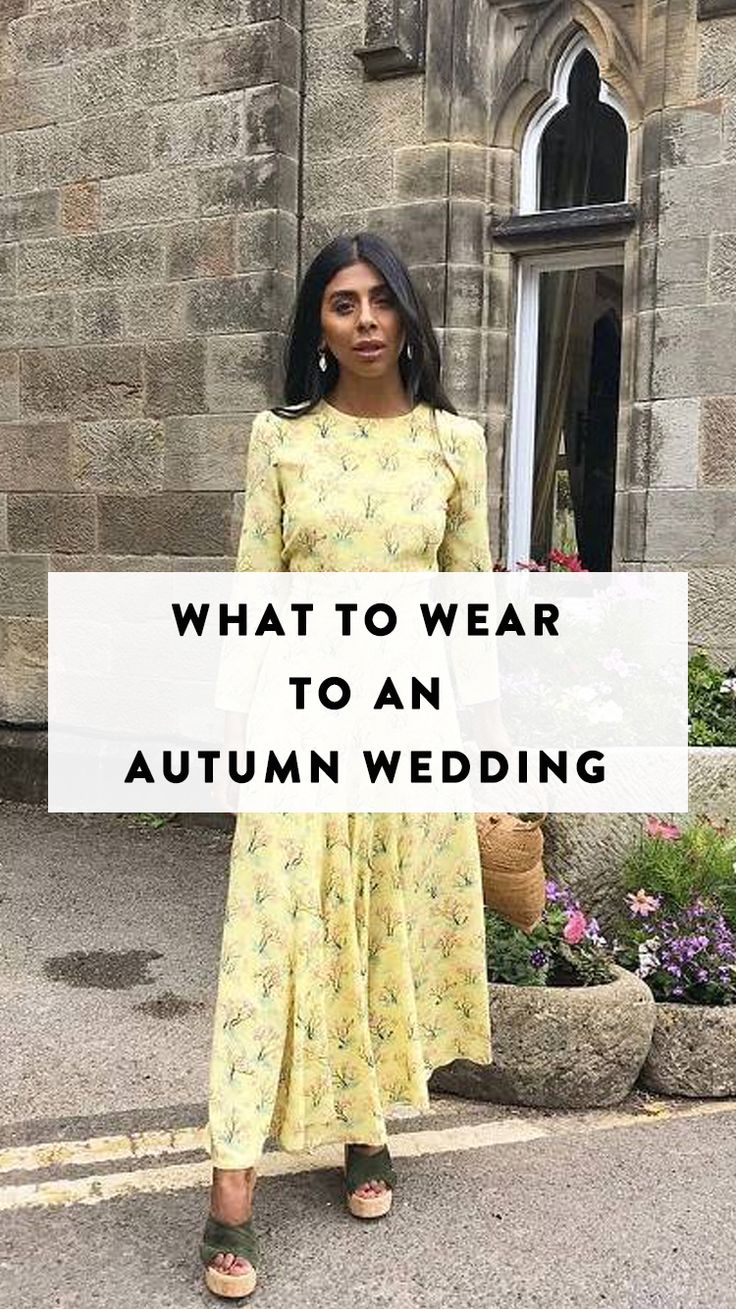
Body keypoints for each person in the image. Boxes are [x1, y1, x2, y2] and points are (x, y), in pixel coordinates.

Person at [200, 230, 494, 1299]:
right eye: (339, 303)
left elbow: (473, 610)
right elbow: (249, 592)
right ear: (315, 329)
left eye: (379, 299)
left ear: (409, 316)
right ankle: (231, 1184)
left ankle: (366, 1130)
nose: (363, 317)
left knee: (378, 935)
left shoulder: (454, 444)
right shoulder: (279, 440)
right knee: (265, 950)